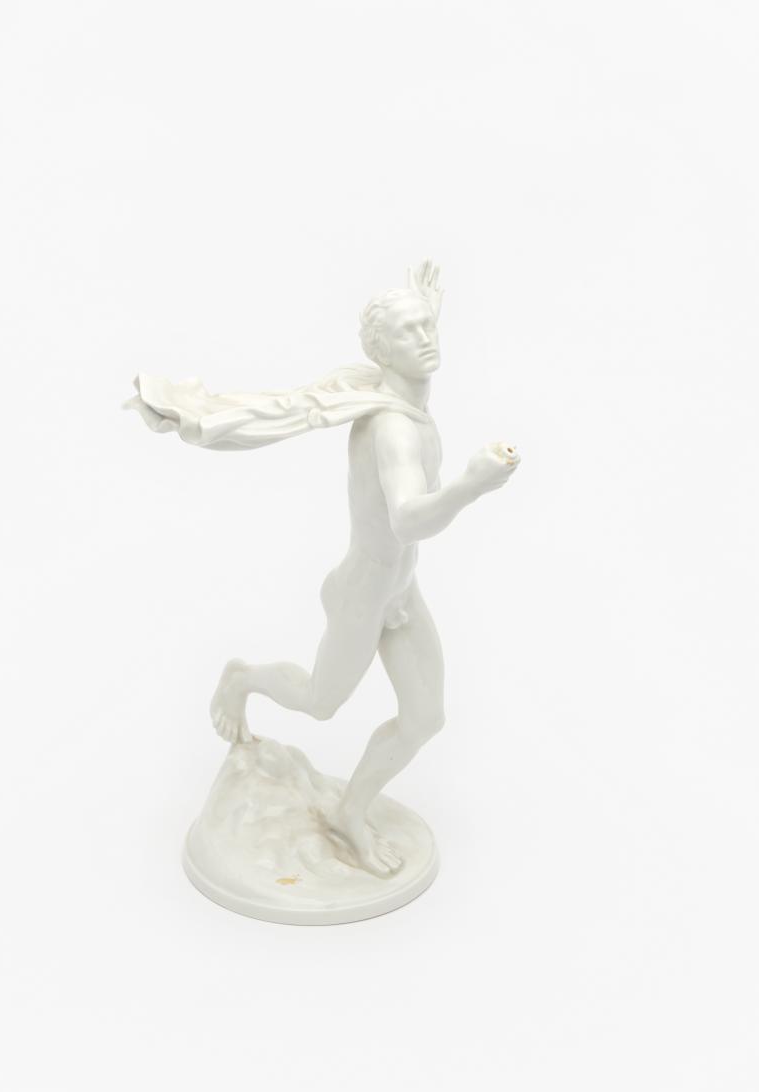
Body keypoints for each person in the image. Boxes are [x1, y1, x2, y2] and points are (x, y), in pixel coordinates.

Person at [200, 261, 521, 875]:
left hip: (400, 588)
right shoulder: (394, 429)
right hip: (364, 591)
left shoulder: (400, 390)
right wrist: (472, 484)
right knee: (320, 702)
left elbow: (406, 345)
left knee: (425, 717)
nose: (425, 338)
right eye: (408, 333)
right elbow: (407, 520)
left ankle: (350, 813)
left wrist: (421, 308)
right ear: (382, 351)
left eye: (428, 327)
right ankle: (241, 678)